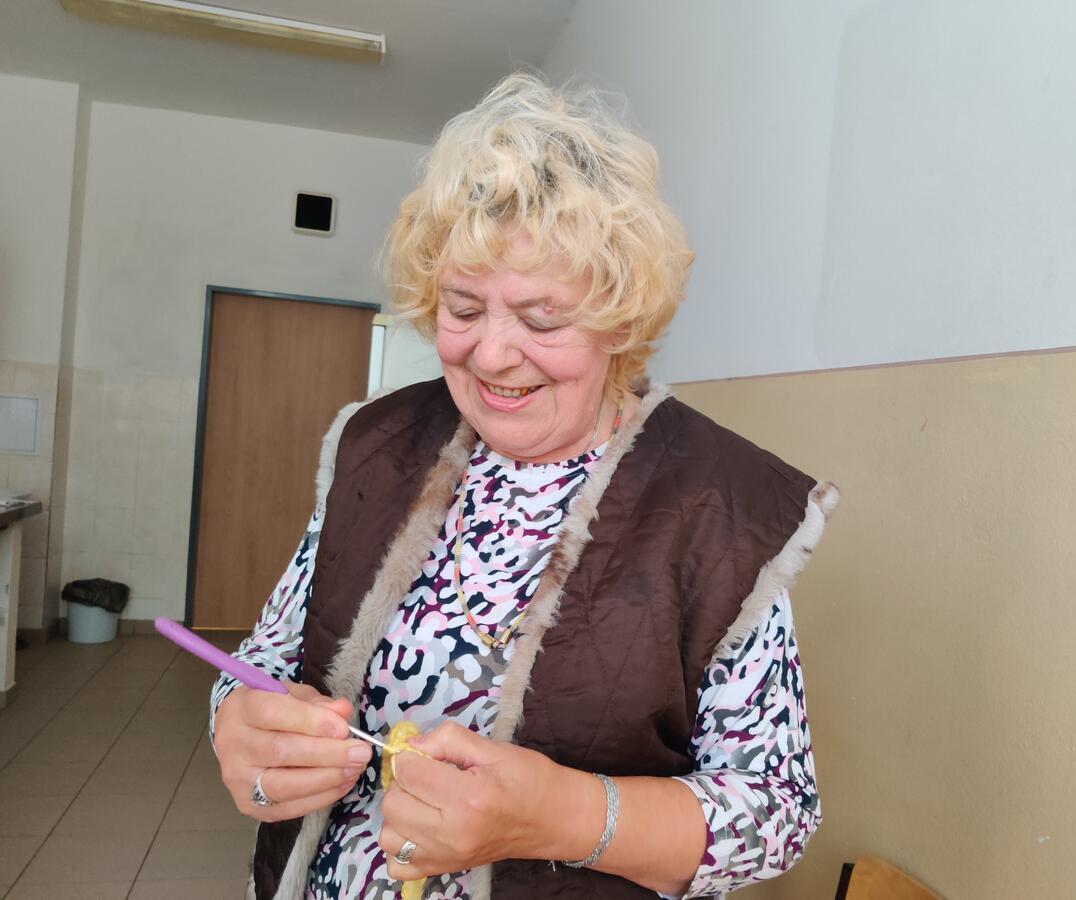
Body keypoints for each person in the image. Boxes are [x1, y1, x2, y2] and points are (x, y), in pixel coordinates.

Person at [210, 72, 838, 900]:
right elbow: (262, 658)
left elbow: (776, 813)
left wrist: (563, 815)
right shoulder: (379, 446)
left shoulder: (718, 508)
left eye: (542, 319)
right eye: (463, 309)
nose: (493, 354)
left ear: (622, 319)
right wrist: (240, 726)